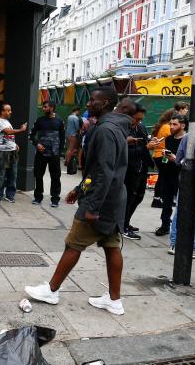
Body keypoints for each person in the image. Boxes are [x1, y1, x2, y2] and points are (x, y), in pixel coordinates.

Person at [24, 91, 135, 311]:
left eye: (93, 99)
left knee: (73, 244)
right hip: (111, 198)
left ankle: (52, 290)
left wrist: (92, 206)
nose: (88, 102)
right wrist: (78, 188)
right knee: (112, 245)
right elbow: (97, 170)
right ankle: (114, 300)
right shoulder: (114, 127)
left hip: (100, 200)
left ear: (104, 103)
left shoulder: (104, 129)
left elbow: (104, 172)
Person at [167, 129, 195, 259]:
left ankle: (174, 243)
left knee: (180, 210)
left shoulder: (188, 136)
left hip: (185, 179)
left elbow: (178, 159)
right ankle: (194, 246)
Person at [155, 114, 186, 236]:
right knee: (166, 202)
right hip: (168, 173)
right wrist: (165, 156)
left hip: (180, 174)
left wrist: (175, 159)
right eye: (171, 124)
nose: (172, 127)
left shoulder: (186, 139)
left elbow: (185, 160)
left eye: (175, 124)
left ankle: (180, 227)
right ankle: (165, 225)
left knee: (181, 203)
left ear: (183, 125)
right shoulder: (168, 139)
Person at [122, 103, 149, 239]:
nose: (138, 122)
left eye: (140, 119)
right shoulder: (122, 129)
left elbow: (144, 143)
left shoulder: (141, 127)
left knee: (138, 197)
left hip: (141, 167)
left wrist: (149, 143)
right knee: (128, 197)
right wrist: (146, 147)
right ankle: (123, 225)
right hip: (128, 169)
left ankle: (126, 222)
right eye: (136, 119)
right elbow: (122, 151)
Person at [30, 100, 65, 207]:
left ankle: (55, 199)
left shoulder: (59, 121)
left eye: (45, 107)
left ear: (52, 108)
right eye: (43, 107)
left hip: (54, 155)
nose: (43, 109)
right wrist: (37, 144)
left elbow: (63, 139)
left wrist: (59, 152)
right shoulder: (40, 120)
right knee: (38, 175)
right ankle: (38, 197)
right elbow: (31, 135)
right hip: (41, 154)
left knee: (55, 177)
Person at [0, 102, 27, 203]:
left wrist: (14, 144)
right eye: (8, 110)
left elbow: (9, 136)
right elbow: (7, 132)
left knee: (13, 174)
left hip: (12, 151)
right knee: (1, 174)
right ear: (2, 111)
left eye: (10, 110)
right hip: (2, 152)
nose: (10, 112)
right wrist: (21, 130)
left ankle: (10, 195)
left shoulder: (7, 122)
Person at [147, 108, 175, 208]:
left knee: (163, 177)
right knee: (163, 178)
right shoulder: (167, 127)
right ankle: (157, 199)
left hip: (159, 155)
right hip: (162, 155)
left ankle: (160, 199)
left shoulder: (163, 126)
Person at [64, 106, 82, 170]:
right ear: (77, 111)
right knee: (71, 149)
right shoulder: (75, 118)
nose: (78, 113)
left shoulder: (69, 117)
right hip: (73, 135)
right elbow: (77, 127)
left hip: (67, 134)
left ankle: (66, 159)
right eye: (78, 111)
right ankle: (68, 161)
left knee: (68, 148)